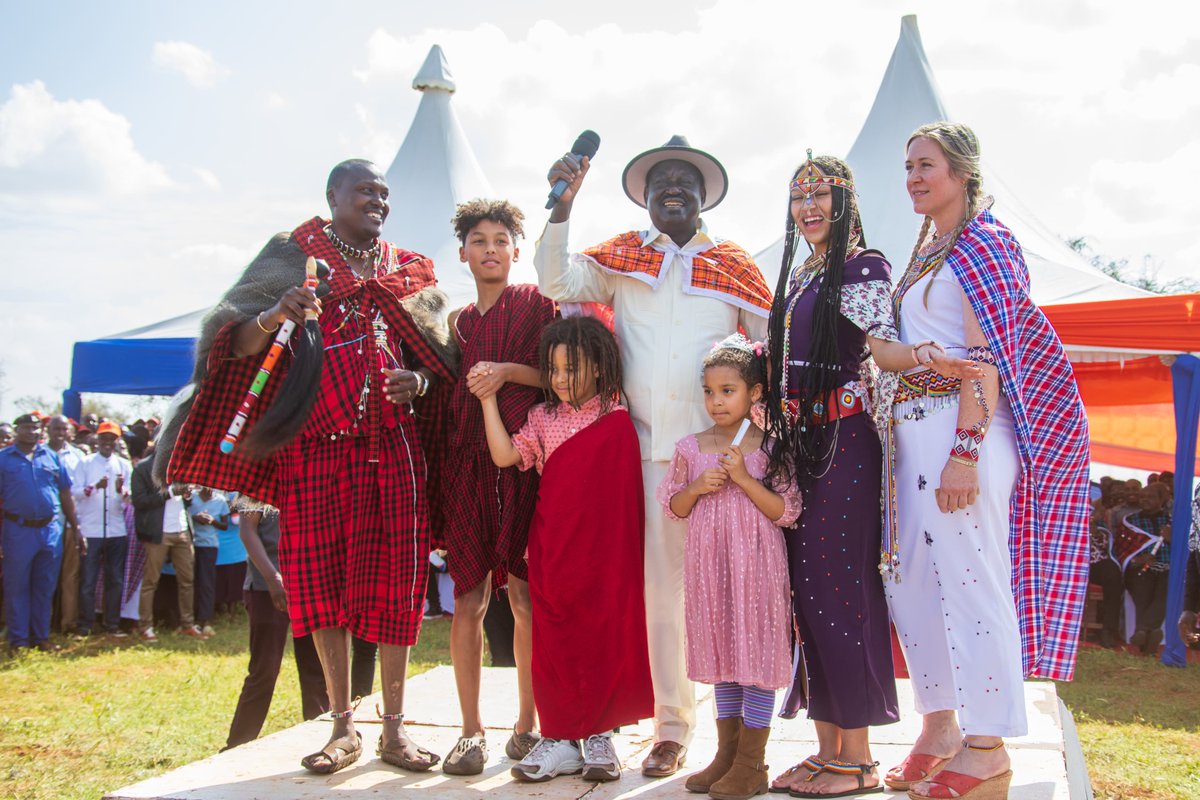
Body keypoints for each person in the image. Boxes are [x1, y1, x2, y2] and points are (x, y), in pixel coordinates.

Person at [160, 159, 457, 775]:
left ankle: (395, 732)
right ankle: (342, 727)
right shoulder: (292, 256)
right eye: (364, 190)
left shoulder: (412, 270)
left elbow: (441, 357)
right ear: (333, 197)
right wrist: (276, 315)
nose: (376, 199)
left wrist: (422, 380)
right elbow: (229, 336)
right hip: (314, 448)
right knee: (321, 587)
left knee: (397, 589)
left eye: (383, 192)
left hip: (395, 450)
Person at [535, 135, 771, 778]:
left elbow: (767, 359)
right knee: (655, 595)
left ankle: (738, 736)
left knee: (722, 592)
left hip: (715, 461)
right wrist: (561, 209)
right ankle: (670, 728)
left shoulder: (734, 265)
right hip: (631, 453)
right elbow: (555, 278)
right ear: (643, 194)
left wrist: (751, 447)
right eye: (660, 178)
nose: (673, 186)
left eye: (685, 178)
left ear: (703, 194)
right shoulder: (621, 259)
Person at [882, 122, 1090, 800]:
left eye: (927, 166)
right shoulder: (931, 248)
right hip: (913, 432)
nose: (914, 176)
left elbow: (989, 360)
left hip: (961, 433)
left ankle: (989, 747)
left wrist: (966, 453)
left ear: (964, 173)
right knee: (911, 584)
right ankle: (941, 727)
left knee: (973, 584)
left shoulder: (985, 244)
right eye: (908, 165)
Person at [765, 153, 975, 796]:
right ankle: (828, 746)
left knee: (840, 592)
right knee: (808, 595)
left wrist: (921, 356)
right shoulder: (800, 272)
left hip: (845, 446)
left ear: (846, 201)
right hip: (802, 445)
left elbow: (881, 346)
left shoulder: (862, 265)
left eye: (822, 195)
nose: (809, 207)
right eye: (800, 196)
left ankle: (857, 757)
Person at [478, 316, 653, 783]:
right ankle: (557, 738)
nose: (559, 379)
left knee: (600, 636)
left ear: (599, 367)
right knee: (553, 641)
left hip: (605, 551)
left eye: (571, 368)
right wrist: (488, 399)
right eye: (552, 369)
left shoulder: (614, 408)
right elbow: (504, 457)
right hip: (554, 545)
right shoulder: (541, 418)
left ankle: (599, 737)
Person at [441, 199, 556, 775]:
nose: (490, 249)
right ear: (463, 253)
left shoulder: (536, 305)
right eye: (479, 240)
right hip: (466, 466)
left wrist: (508, 372)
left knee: (524, 595)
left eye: (501, 240)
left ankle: (528, 726)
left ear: (516, 250)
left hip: (525, 462)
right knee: (467, 596)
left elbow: (560, 376)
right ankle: (469, 731)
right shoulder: (455, 323)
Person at [657, 335, 801, 799]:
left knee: (754, 655)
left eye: (728, 391)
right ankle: (725, 755)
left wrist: (742, 477)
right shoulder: (691, 447)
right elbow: (674, 507)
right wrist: (699, 484)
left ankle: (750, 763)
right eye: (709, 391)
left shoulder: (770, 448)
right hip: (711, 568)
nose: (716, 401)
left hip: (756, 568)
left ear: (754, 393)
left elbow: (787, 511)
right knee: (724, 656)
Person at [225, 507, 329, 750]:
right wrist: (273, 578)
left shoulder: (311, 475)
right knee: (264, 671)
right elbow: (247, 530)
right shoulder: (259, 480)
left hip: (310, 583)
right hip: (266, 587)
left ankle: (322, 743)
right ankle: (237, 746)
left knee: (316, 671)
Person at [0, 413, 82, 652]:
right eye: (27, 428)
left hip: (50, 530)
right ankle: (19, 640)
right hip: (18, 530)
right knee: (17, 587)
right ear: (17, 430)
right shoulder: (4, 459)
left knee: (45, 586)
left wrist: (76, 528)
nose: (32, 432)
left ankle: (41, 636)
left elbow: (65, 494)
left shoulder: (52, 457)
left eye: (36, 428)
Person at [131, 450, 203, 641]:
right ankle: (145, 627)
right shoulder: (143, 468)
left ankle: (187, 624)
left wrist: (187, 495)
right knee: (151, 581)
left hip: (182, 530)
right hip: (158, 532)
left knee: (187, 580)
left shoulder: (180, 464)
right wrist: (170, 492)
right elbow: (139, 501)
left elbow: (185, 501)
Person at [73, 421, 133, 637]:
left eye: (112, 439)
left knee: (115, 579)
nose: (108, 442)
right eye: (104, 438)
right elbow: (75, 492)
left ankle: (112, 624)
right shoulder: (86, 462)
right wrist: (94, 488)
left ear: (117, 441)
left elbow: (130, 499)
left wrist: (122, 491)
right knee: (88, 580)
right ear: (97, 440)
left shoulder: (124, 464)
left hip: (116, 530)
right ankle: (85, 624)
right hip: (91, 530)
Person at [45, 415, 86, 633]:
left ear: (69, 431)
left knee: (70, 576)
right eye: (56, 428)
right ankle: (44, 623)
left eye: (64, 429)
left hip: (70, 524)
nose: (60, 432)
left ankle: (67, 623)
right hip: (46, 525)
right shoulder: (39, 454)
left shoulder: (78, 457)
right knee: (45, 575)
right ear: (48, 430)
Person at [1123, 482, 1172, 655]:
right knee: (1142, 592)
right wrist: (1138, 559)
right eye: (1143, 496)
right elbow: (1122, 551)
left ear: (1162, 500)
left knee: (1165, 592)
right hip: (1139, 569)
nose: (1144, 500)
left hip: (1166, 568)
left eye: (1150, 497)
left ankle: (1142, 631)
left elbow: (1187, 548)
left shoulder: (1172, 521)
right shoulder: (1130, 521)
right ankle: (1149, 635)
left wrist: (1171, 538)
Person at [189, 487, 231, 637]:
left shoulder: (220, 501)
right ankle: (189, 619)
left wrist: (212, 521)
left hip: (209, 545)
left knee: (207, 582)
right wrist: (195, 518)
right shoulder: (191, 497)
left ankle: (205, 620)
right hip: (190, 544)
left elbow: (225, 525)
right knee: (190, 581)